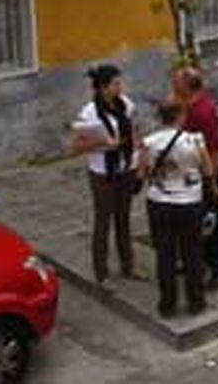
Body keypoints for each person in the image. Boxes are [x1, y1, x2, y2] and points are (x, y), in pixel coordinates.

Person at [140, 99, 213, 317]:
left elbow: (141, 173)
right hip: (189, 202)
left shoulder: (149, 142)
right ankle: (196, 301)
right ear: (180, 116)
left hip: (159, 202)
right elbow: (208, 169)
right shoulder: (194, 140)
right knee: (192, 252)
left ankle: (167, 303)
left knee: (165, 253)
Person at [69, 64, 140, 285]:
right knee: (103, 221)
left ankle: (128, 266)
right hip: (102, 172)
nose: (120, 87)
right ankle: (102, 273)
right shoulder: (89, 113)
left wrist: (136, 155)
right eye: (115, 84)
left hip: (125, 168)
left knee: (124, 218)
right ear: (102, 88)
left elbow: (134, 131)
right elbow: (76, 147)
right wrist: (103, 142)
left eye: (120, 83)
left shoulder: (125, 105)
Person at [175, 67, 218, 288]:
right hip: (193, 174)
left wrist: (213, 181)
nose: (173, 85)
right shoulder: (189, 107)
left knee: (211, 225)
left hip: (206, 175)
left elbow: (213, 149)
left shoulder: (203, 112)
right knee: (195, 223)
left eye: (177, 82)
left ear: (187, 86)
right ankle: (197, 261)